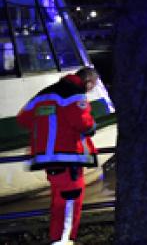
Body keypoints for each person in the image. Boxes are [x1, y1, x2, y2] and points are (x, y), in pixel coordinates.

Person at [16, 67, 99, 245]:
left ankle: (57, 239)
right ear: (88, 83)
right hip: (68, 158)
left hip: (47, 159)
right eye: (93, 86)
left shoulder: (44, 94)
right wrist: (92, 125)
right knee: (70, 203)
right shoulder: (75, 95)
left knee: (59, 203)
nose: (92, 90)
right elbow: (84, 124)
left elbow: (23, 119)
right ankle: (64, 241)